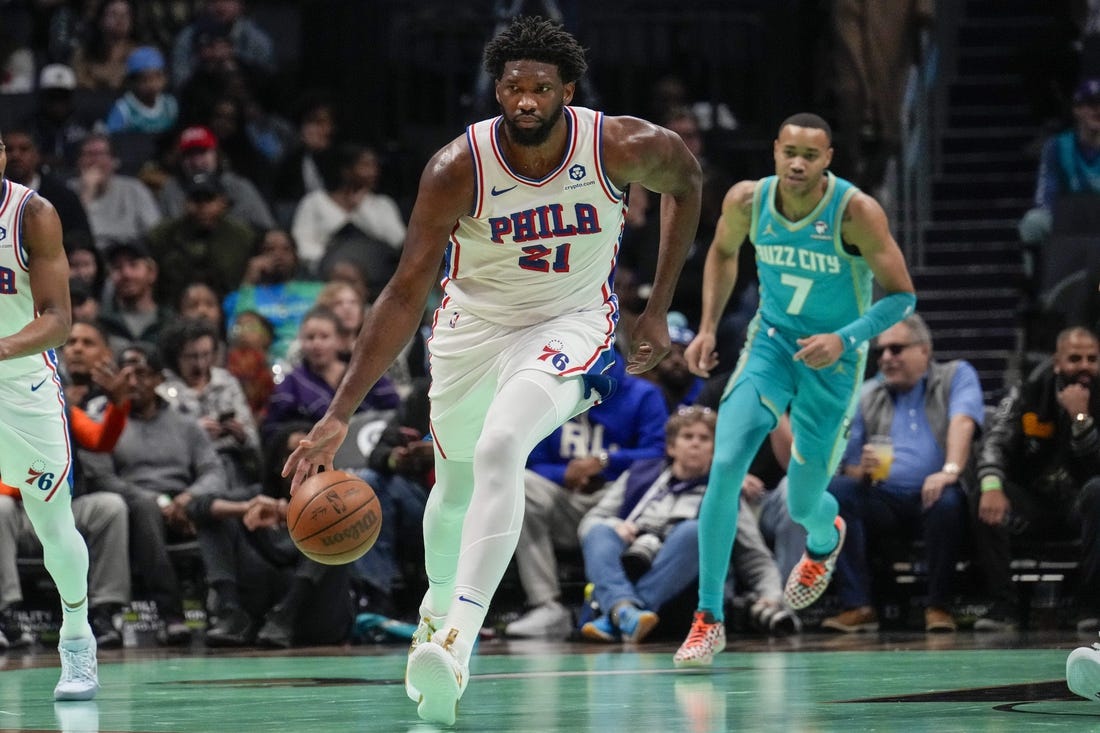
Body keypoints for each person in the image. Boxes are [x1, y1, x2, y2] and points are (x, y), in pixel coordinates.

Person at [281, 16, 701, 726]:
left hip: (571, 323)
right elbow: (405, 290)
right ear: (497, 90)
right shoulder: (458, 167)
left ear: (568, 89)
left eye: (542, 87)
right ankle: (433, 611)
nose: (527, 100)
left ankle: (458, 640)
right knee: (454, 488)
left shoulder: (619, 144)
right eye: (514, 87)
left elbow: (686, 182)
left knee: (506, 441)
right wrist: (338, 412)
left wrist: (657, 307)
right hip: (469, 332)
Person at [671, 112, 916, 668]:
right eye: (790, 153)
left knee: (803, 501)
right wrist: (708, 326)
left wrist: (845, 338)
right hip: (772, 344)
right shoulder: (745, 201)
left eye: (811, 154)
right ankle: (708, 619)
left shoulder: (856, 212)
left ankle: (825, 536)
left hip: (832, 361)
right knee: (726, 464)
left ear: (828, 158)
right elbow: (723, 252)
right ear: (775, 152)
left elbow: (901, 296)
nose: (799, 163)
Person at [0, 129, 99, 699]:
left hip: (22, 383)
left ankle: (77, 635)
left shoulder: (32, 213)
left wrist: (4, 347)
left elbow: (59, 319)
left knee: (52, 523)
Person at [818, 313, 983, 634]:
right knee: (836, 493)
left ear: (924, 349)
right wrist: (862, 471)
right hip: (886, 497)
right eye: (880, 352)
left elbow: (963, 422)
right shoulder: (867, 393)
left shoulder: (955, 376)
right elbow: (849, 466)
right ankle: (859, 606)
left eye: (896, 349)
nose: (886, 358)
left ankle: (938, 606)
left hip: (935, 491)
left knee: (947, 500)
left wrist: (948, 471)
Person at [503, 355, 669, 639]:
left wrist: (605, 462)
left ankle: (620, 607)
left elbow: (659, 454)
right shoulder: (553, 391)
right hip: (567, 498)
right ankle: (546, 606)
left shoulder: (642, 395)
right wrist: (565, 473)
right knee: (522, 485)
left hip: (621, 501)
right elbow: (530, 458)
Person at [973, 326, 1100, 632]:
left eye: (1092, 359)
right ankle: (1004, 605)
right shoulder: (1027, 391)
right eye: (1075, 358)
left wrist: (1080, 421)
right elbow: (995, 441)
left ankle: (1092, 605)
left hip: (1083, 506)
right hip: (1034, 503)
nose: (1084, 366)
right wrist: (991, 483)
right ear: (1057, 362)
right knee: (986, 490)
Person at [577, 406, 714, 643]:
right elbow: (589, 523)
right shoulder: (640, 473)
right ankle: (628, 613)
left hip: (679, 583)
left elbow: (752, 551)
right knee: (599, 531)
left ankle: (616, 616)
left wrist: (771, 596)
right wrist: (616, 525)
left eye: (704, 438)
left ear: (714, 448)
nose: (695, 444)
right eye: (688, 437)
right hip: (631, 556)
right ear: (671, 447)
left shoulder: (723, 489)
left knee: (695, 532)